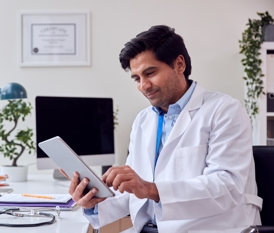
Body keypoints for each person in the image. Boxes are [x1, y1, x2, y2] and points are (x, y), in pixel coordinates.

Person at [63, 25, 262, 233]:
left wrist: (151, 188)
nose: (143, 86)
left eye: (150, 73)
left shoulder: (224, 110)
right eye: (137, 78)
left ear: (179, 64)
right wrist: (93, 202)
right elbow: (135, 194)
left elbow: (227, 188)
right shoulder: (143, 120)